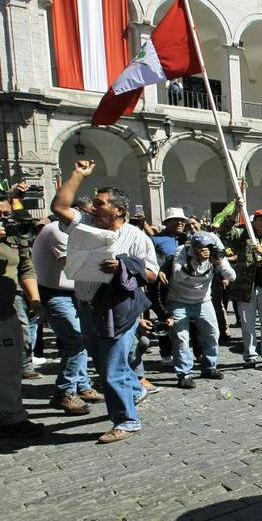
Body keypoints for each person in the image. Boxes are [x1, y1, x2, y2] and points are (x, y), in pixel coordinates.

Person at [51, 160, 160, 444]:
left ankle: (127, 420)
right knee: (103, 363)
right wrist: (78, 175)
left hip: (118, 310)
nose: (92, 208)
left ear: (118, 210)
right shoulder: (86, 225)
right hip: (86, 306)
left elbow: (151, 272)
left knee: (111, 368)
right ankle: (134, 391)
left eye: (100, 204)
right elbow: (60, 208)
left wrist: (122, 267)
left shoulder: (136, 237)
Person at [32, 196, 105, 415]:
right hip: (56, 294)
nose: (94, 218)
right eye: (91, 213)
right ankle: (64, 392)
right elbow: (73, 266)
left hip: (75, 294)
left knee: (82, 339)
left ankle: (81, 386)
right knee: (75, 341)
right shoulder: (57, 230)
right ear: (76, 212)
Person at [161, 232, 236, 388]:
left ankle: (209, 367)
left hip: (203, 300)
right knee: (181, 337)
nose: (206, 250)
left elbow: (232, 276)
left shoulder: (215, 255)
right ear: (193, 247)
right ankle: (184, 374)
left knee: (212, 333)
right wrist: (196, 261)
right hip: (178, 299)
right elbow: (177, 275)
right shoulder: (182, 251)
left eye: (208, 247)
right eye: (202, 248)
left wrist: (219, 263)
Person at [0, 189, 45, 438]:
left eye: (7, 215)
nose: (5, 221)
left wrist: (35, 301)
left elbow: (26, 269)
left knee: (10, 364)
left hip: (6, 310)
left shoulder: (15, 237)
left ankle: (11, 415)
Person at [220, 206, 262, 368]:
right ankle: (250, 355)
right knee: (247, 323)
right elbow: (225, 233)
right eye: (261, 220)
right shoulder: (243, 235)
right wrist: (236, 210)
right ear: (254, 222)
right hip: (246, 287)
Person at [151, 207, 189, 368]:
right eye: (176, 220)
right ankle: (166, 353)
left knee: (187, 320)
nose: (180, 223)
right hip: (165, 286)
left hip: (186, 285)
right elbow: (149, 259)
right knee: (165, 319)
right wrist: (157, 271)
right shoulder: (155, 240)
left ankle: (188, 352)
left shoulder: (188, 238)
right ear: (167, 222)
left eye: (182, 220)